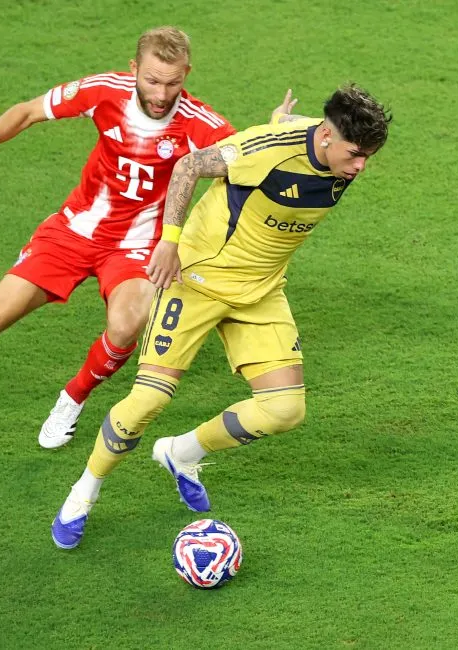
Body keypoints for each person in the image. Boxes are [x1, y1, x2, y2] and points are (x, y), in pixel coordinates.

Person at [0, 27, 236, 446]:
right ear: (134, 69)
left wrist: (277, 132)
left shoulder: (199, 121)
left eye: (173, 82)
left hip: (136, 247)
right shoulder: (104, 91)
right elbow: (27, 111)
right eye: (152, 80)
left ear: (187, 73)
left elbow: (248, 155)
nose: (162, 94)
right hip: (73, 231)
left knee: (127, 326)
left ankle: (72, 399)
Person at [50, 83, 392, 549]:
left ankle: (181, 452)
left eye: (369, 155)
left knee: (285, 410)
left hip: (260, 292)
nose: (361, 167)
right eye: (356, 154)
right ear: (329, 137)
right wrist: (169, 242)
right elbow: (189, 165)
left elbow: (302, 131)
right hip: (196, 280)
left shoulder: (330, 146)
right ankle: (84, 491)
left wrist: (283, 120)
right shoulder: (264, 152)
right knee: (147, 402)